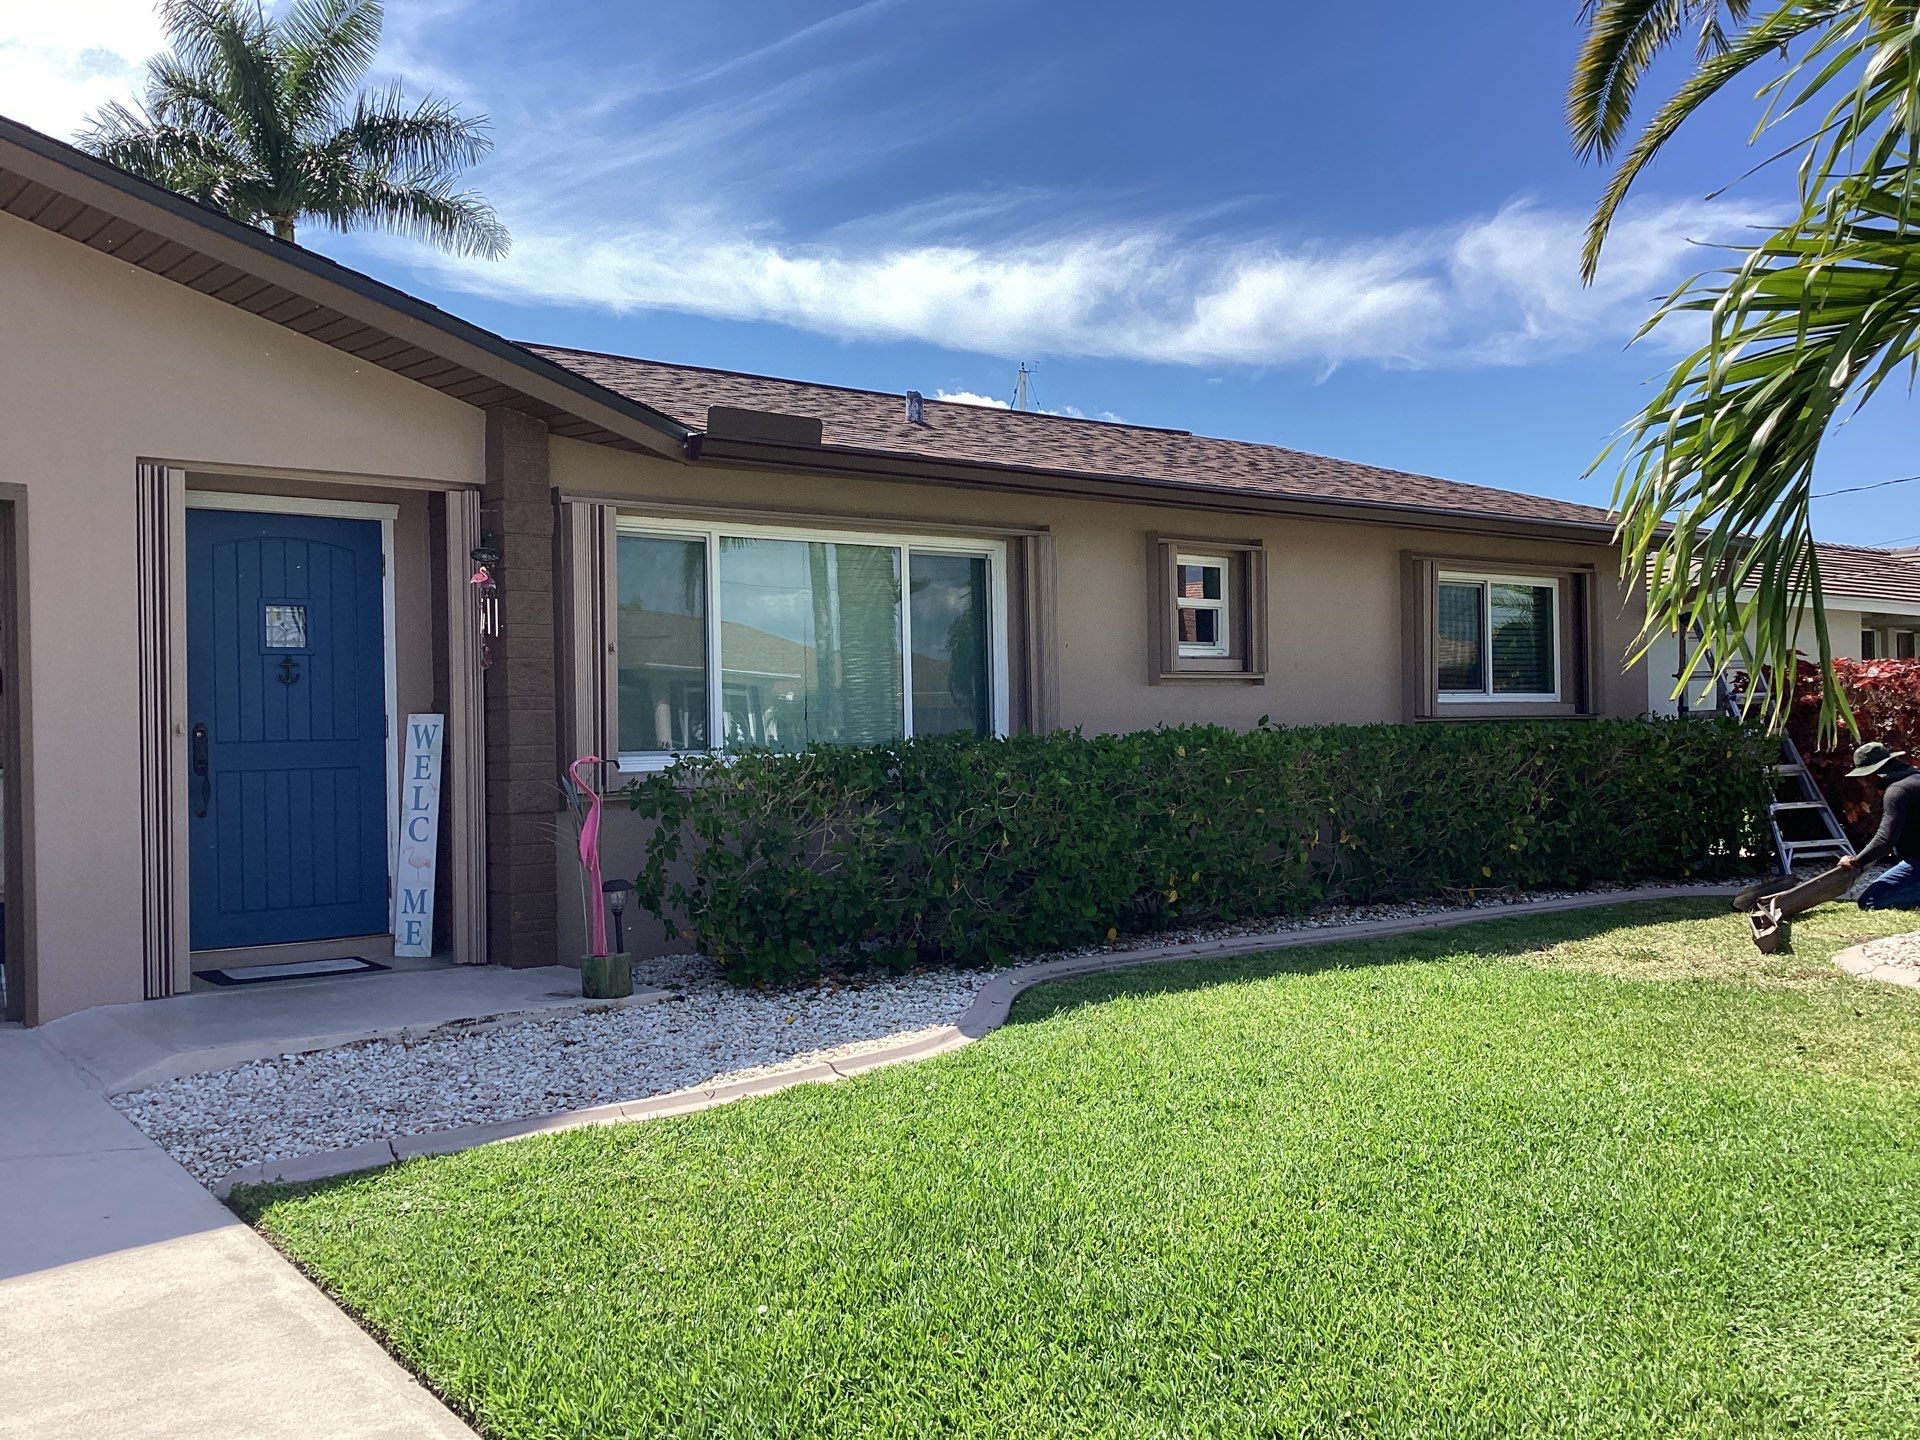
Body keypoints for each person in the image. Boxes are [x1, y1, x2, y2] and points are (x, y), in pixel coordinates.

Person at [1838, 741, 1920, 910]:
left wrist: (1855, 862)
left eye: (1865, 777)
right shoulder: (1915, 780)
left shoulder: (1898, 791)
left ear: (1875, 774)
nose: (1865, 782)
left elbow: (1885, 840)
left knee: (1870, 901)